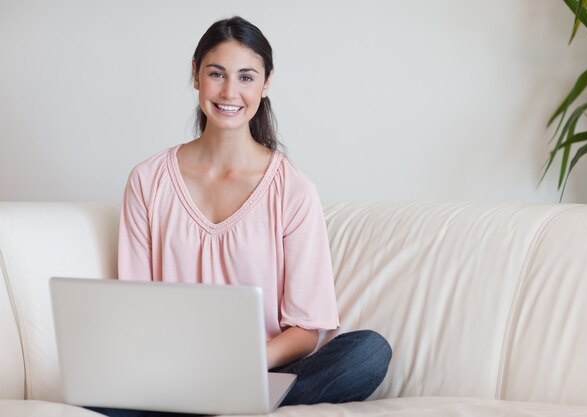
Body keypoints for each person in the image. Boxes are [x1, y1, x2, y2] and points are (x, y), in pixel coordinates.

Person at [90, 16, 391, 417]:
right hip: (175, 374)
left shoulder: (293, 189)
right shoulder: (148, 180)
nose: (230, 91)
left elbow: (306, 330)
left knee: (368, 353)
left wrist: (243, 362)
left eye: (246, 77)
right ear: (196, 76)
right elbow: (137, 310)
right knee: (96, 392)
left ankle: (223, 405)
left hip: (263, 369)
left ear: (266, 84)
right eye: (217, 74)